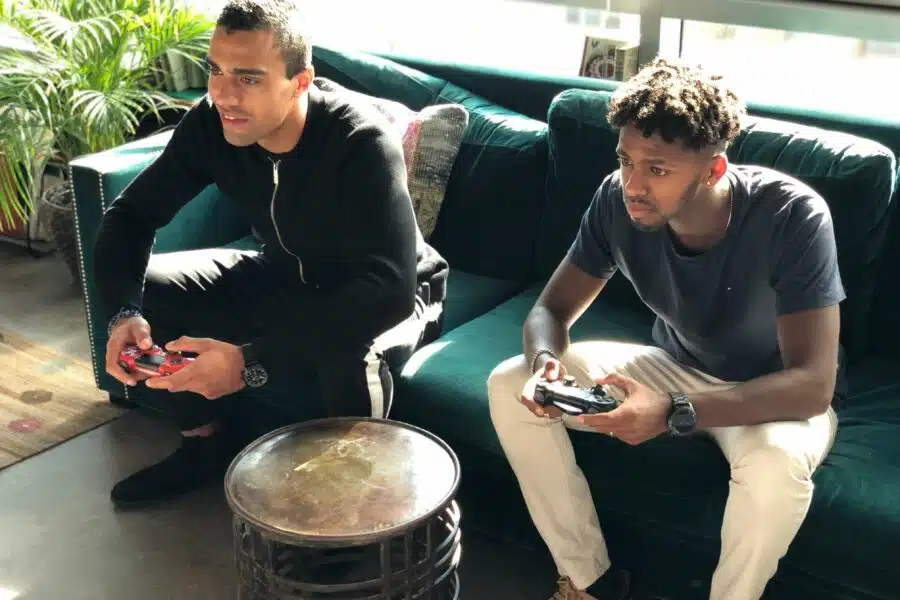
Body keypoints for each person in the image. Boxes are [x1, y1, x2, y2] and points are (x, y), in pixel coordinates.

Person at [487, 57, 844, 600]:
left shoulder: (792, 217)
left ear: (713, 170)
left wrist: (676, 410)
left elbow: (813, 386)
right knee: (510, 384)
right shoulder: (615, 200)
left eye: (656, 170)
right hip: (673, 365)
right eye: (625, 160)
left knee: (774, 473)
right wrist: (546, 364)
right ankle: (590, 581)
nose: (632, 184)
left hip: (771, 396)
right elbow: (549, 312)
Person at [93, 0, 447, 508]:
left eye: (249, 78)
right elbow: (130, 216)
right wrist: (123, 315)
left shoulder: (360, 141)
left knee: (349, 352)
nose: (223, 94)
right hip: (281, 273)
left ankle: (354, 508)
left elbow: (387, 290)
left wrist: (248, 362)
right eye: (216, 70)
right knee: (148, 289)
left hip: (392, 294)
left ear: (300, 82)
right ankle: (205, 445)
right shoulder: (211, 124)